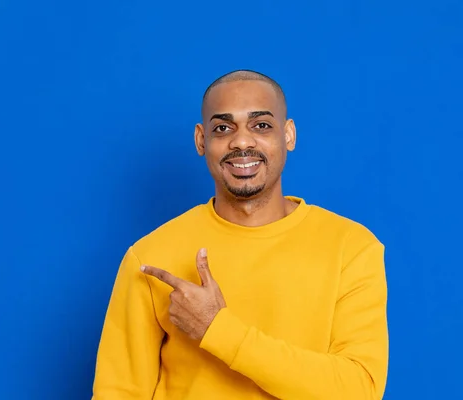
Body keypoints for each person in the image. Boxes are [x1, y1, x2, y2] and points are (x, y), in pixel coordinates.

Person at [91, 70, 389, 400]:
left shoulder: (351, 247)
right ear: (201, 140)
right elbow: (117, 393)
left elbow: (359, 390)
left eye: (261, 125)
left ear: (288, 134)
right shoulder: (150, 256)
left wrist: (217, 330)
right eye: (223, 128)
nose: (242, 142)